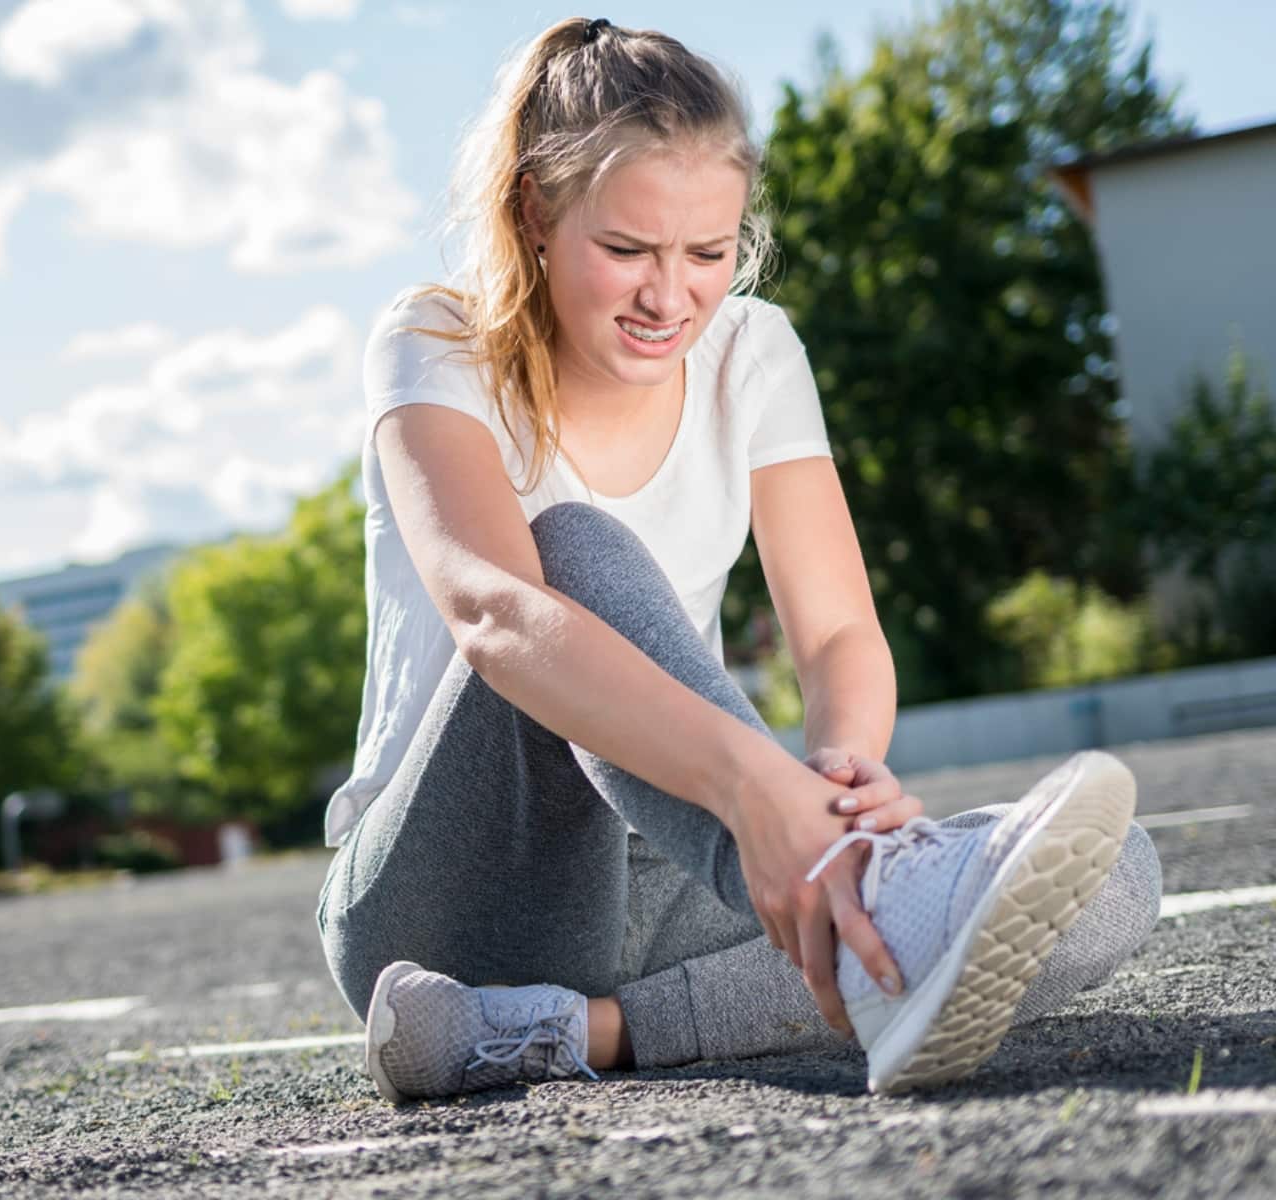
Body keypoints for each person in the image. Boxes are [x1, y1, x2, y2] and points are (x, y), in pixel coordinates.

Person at [315, 16, 1161, 1100]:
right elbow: (492, 609)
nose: (670, 298)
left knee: (1117, 874)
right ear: (535, 210)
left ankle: (570, 1032)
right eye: (626, 250)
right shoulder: (434, 341)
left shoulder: (756, 353)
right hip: (445, 896)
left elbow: (841, 631)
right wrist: (760, 789)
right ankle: (845, 915)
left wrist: (840, 784)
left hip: (684, 867)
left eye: (706, 255)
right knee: (569, 549)